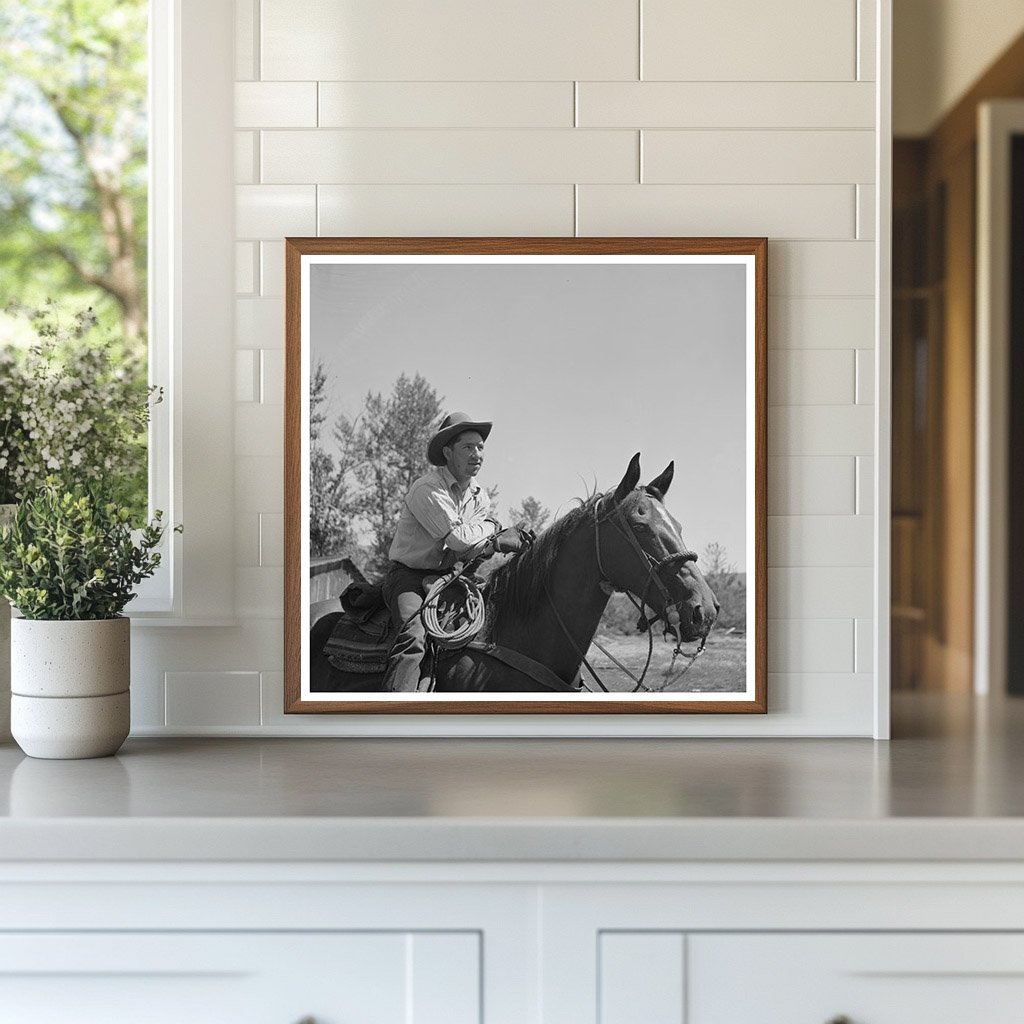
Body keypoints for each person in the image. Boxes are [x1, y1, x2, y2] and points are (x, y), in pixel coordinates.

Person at [381, 412, 529, 692]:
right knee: (413, 637)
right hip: (409, 579)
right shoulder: (427, 489)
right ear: (447, 452)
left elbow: (473, 547)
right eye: (467, 448)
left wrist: (494, 542)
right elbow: (461, 539)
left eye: (480, 447)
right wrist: (494, 528)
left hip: (450, 578)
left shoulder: (479, 496)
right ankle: (394, 713)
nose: (477, 455)